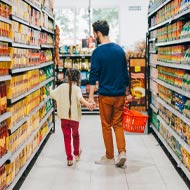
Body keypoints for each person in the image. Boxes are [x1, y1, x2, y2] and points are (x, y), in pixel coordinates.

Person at [88, 20, 130, 167]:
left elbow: (93, 76)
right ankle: (122, 152)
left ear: (98, 33)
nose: (94, 36)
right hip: (119, 95)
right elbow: (125, 74)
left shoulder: (97, 52)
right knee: (117, 124)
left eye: (94, 34)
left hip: (105, 96)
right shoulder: (119, 50)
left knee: (106, 125)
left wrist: (91, 97)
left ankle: (109, 155)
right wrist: (127, 92)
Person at [50, 68, 94, 166]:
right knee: (75, 135)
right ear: (78, 78)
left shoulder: (61, 87)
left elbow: (52, 94)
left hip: (64, 118)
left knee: (66, 137)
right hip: (74, 119)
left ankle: (69, 158)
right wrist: (88, 104)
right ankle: (77, 154)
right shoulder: (77, 88)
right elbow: (80, 98)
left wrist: (49, 89)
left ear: (66, 77)